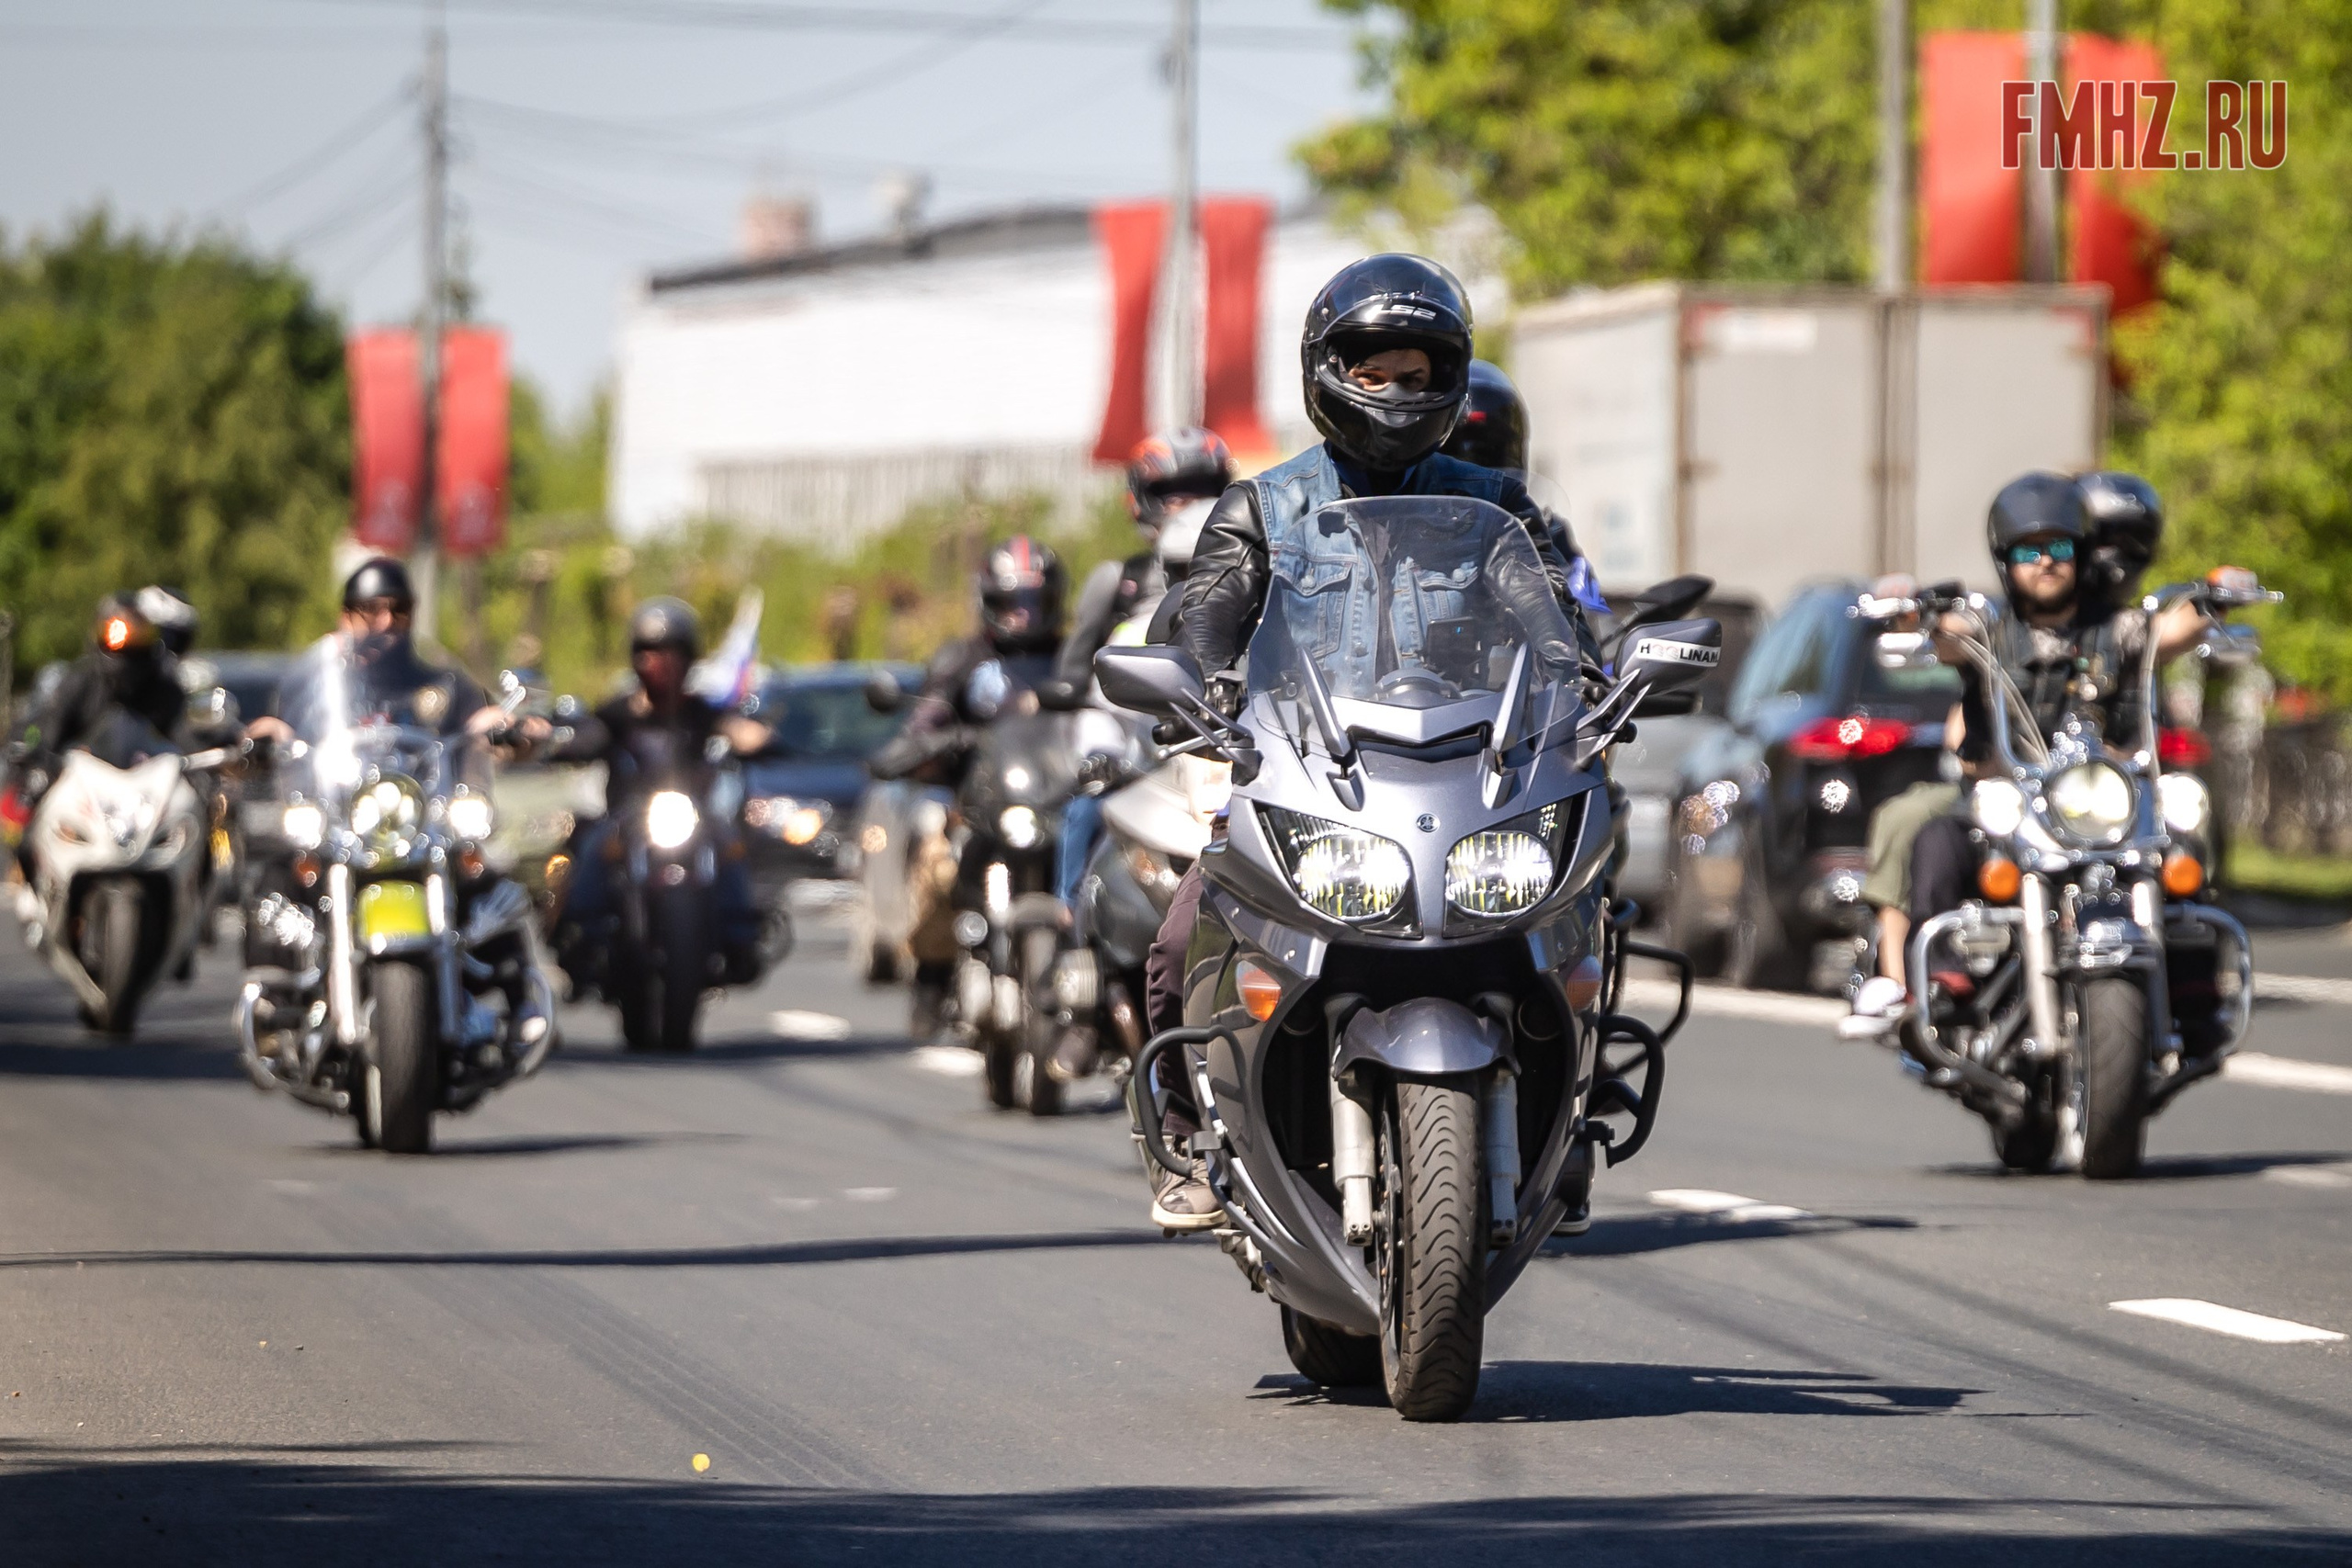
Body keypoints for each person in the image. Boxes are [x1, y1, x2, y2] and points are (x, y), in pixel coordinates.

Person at [1136, 254, 1602, 1230]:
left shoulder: (1494, 508)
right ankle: (1185, 1140)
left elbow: (1551, 616)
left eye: (1417, 374)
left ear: (1449, 379)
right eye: (1374, 372)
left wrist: (1591, 677)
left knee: (1578, 921)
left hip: (1467, 779)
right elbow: (1205, 617)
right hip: (1307, 776)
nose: (1396, 393)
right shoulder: (1263, 509)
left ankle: (1570, 1123)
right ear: (1329, 371)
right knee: (1180, 941)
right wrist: (1198, 683)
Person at [1844, 471, 2209, 1032]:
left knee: (2179, 839)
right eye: (2028, 551)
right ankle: (1929, 979)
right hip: (2007, 796)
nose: (2045, 561)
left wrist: (2213, 597)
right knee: (1936, 839)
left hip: (2094, 799)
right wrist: (1913, 612)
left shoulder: (2118, 628)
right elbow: (1947, 632)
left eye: (2059, 548)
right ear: (2005, 562)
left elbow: (2172, 629)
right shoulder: (1990, 627)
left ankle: (2194, 985)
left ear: (2081, 553)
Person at [868, 536, 1069, 1034]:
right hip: (976, 802)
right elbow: (926, 717)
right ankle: (933, 975)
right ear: (988, 601)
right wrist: (926, 743)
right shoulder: (963, 658)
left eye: (1034, 602)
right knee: (937, 863)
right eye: (1011, 602)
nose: (1023, 615)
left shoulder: (1072, 657)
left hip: (1056, 800)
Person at [1047, 432, 1237, 909]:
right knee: (1089, 804)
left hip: (1220, 731)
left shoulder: (1257, 573)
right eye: (1173, 494)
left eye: (1205, 491)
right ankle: (1072, 915)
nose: (1190, 505)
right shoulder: (1118, 581)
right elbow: (1075, 672)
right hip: (1132, 738)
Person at [543, 596, 773, 989]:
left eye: (672, 654)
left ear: (689, 660)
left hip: (693, 818)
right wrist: (567, 742)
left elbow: (736, 729)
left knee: (729, 842)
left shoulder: (699, 712)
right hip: (626, 819)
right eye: (650, 653)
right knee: (593, 845)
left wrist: (758, 738)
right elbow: (589, 734)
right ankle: (581, 938)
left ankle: (740, 936)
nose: (661, 663)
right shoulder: (618, 713)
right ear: (636, 659)